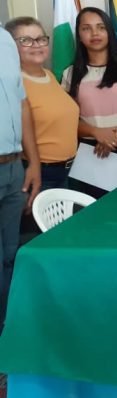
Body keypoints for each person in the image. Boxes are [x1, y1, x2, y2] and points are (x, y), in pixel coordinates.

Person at [61, 7, 117, 196]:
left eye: (101, 27)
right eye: (87, 28)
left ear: (109, 31)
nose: (95, 33)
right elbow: (66, 120)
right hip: (91, 152)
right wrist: (97, 132)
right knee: (98, 208)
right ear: (79, 35)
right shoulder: (70, 74)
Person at [6, 17, 79, 191]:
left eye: (40, 39)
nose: (37, 45)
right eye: (26, 40)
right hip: (38, 172)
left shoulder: (49, 75)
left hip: (69, 170)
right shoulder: (11, 83)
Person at [0, 25, 40, 327]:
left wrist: (33, 162)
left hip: (14, 168)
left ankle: (12, 328)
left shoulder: (4, 39)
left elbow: (21, 103)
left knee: (12, 255)